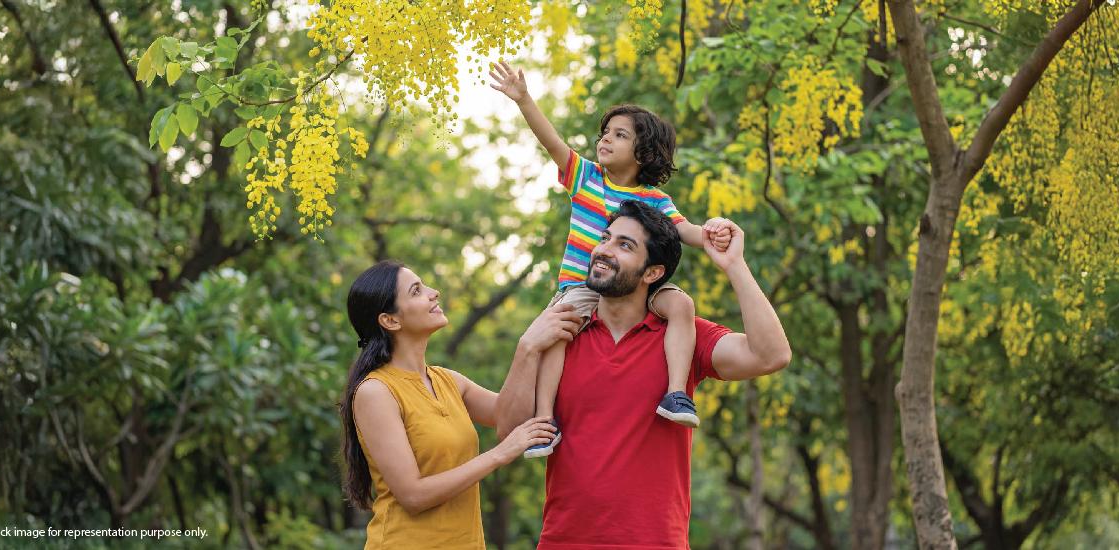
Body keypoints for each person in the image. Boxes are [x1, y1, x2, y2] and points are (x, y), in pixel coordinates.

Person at [495, 201, 792, 548]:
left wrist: (734, 265)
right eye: (605, 238)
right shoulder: (559, 335)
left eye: (624, 245)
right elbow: (507, 432)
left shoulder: (681, 337)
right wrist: (527, 347)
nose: (604, 250)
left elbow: (772, 355)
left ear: (652, 273)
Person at [489, 61, 733, 458]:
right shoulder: (585, 178)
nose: (605, 140)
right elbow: (551, 141)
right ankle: (547, 421)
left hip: (637, 285)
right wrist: (523, 98)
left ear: (643, 152)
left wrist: (712, 233)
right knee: (558, 333)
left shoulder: (655, 199)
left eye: (619, 135)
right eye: (605, 133)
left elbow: (684, 229)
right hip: (581, 287)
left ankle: (675, 395)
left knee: (682, 304)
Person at [339, 260, 581, 549]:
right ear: (390, 320)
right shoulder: (376, 391)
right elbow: (412, 496)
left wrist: (528, 347)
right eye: (417, 291)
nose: (434, 292)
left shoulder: (448, 381)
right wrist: (499, 454)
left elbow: (510, 420)